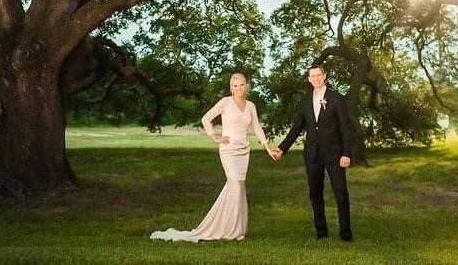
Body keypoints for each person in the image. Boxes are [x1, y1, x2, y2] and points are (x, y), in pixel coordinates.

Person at [151, 73, 276, 242]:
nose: (239, 88)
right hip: (228, 151)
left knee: (237, 188)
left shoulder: (251, 106)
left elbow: (257, 127)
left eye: (241, 85)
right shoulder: (225, 102)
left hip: (244, 152)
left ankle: (236, 230)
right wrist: (215, 136)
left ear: (247, 86)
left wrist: (268, 148)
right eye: (235, 85)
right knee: (235, 186)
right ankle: (222, 229)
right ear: (231, 88)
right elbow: (206, 118)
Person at [271, 65, 355, 242]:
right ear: (309, 79)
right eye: (312, 76)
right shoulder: (305, 100)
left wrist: (346, 153)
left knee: (341, 193)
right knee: (315, 193)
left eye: (319, 75)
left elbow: (346, 129)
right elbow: (296, 128)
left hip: (334, 154)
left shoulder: (337, 98)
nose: (316, 78)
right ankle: (321, 232)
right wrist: (282, 148)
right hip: (312, 154)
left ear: (324, 76)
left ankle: (346, 233)